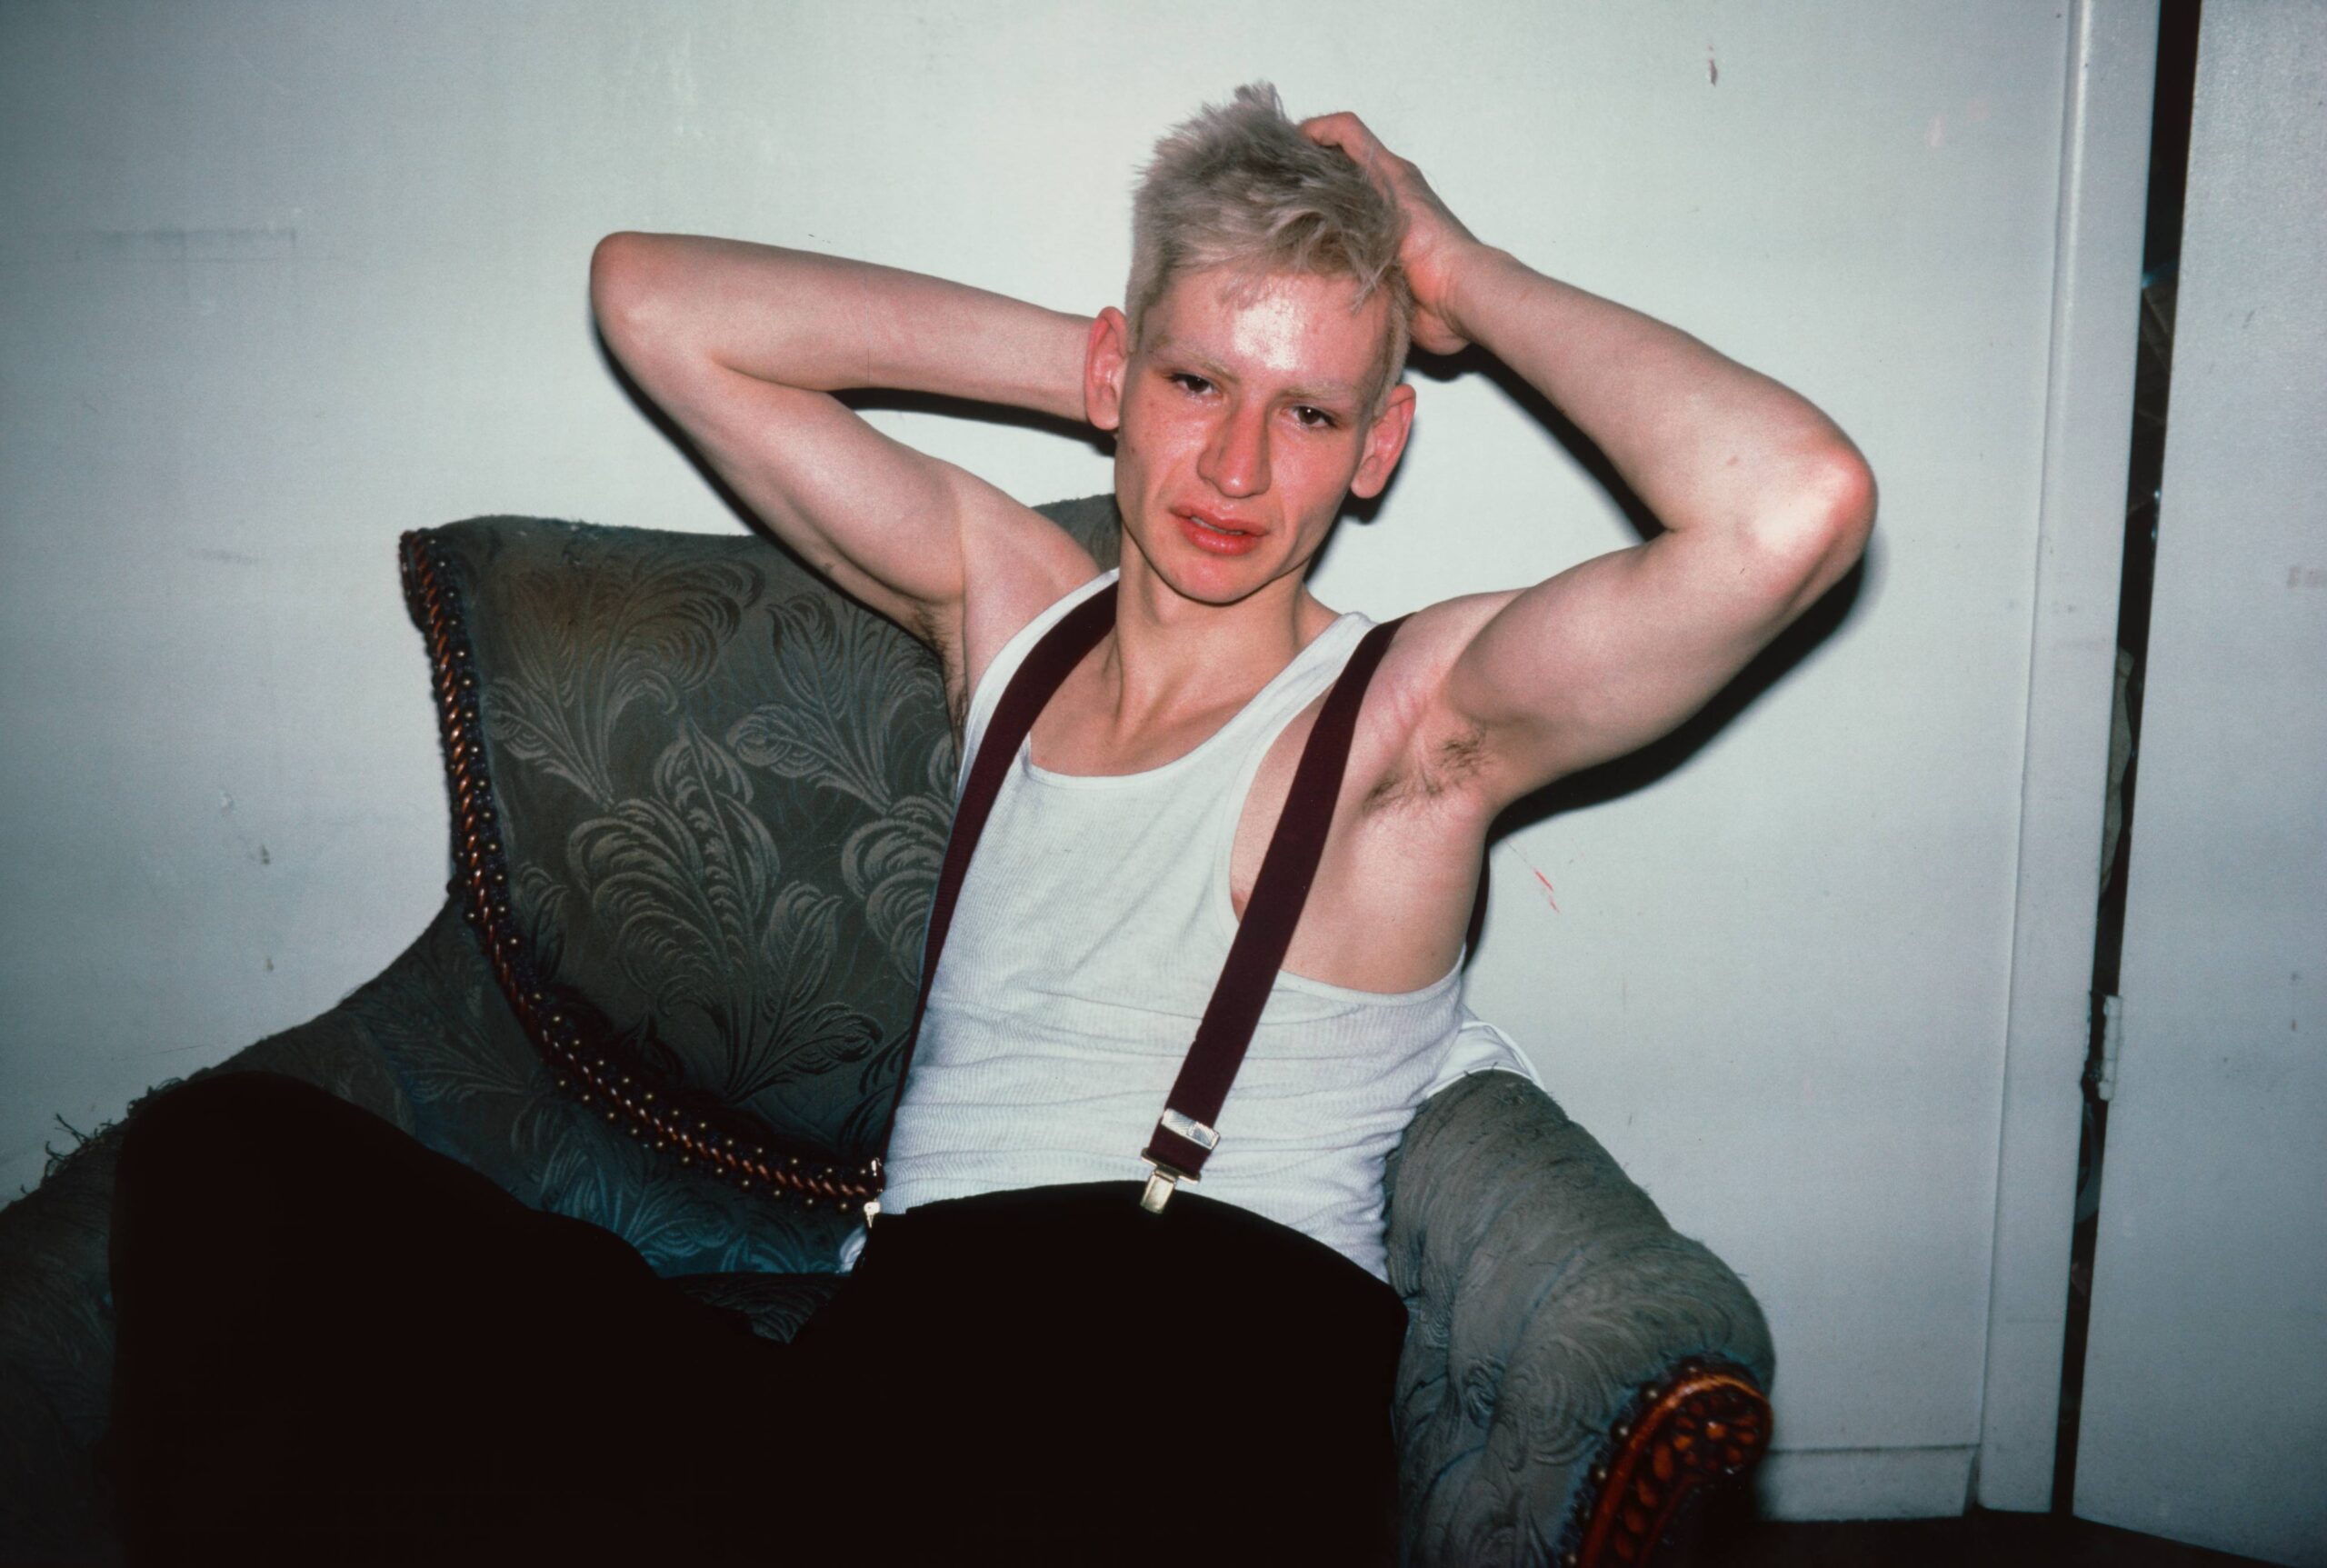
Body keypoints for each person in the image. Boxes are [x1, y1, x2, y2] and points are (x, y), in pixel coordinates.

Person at [105, 85, 1872, 1565]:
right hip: (885, 1390)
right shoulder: (1013, 613)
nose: (1238, 473)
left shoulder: (1408, 719)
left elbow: (1789, 506)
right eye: (1199, 388)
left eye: (1306, 412)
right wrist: (1087, 369)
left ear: (1377, 447)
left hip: (1190, 1400)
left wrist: (1452, 265)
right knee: (223, 1157)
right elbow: (653, 298)